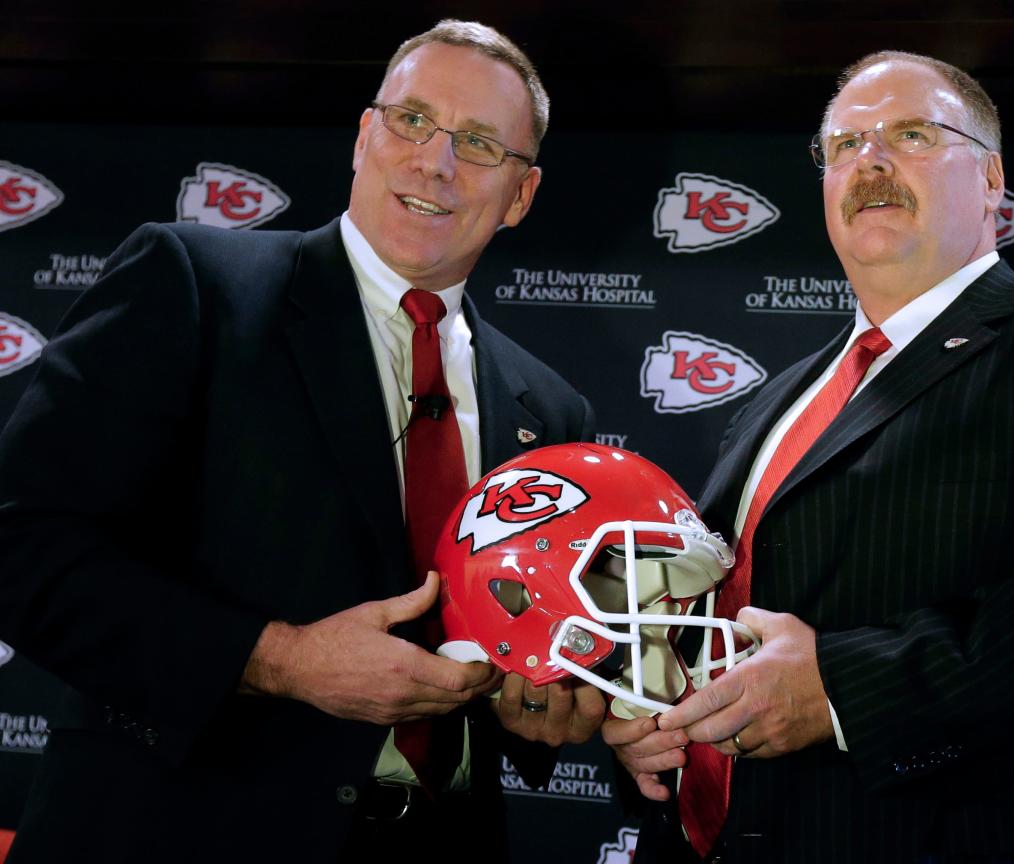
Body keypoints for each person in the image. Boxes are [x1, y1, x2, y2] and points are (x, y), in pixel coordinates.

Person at [0, 19, 604, 864]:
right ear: (364, 136)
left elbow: (525, 655)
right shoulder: (195, 286)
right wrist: (280, 660)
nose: (435, 161)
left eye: (478, 143)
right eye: (412, 121)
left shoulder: (551, 407)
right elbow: (21, 545)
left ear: (521, 196)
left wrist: (537, 705)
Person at [605, 50, 1014, 864]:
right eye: (846, 145)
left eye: (912, 133)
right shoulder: (777, 399)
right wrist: (654, 716)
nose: (872, 160)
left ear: (993, 178)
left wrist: (840, 690)